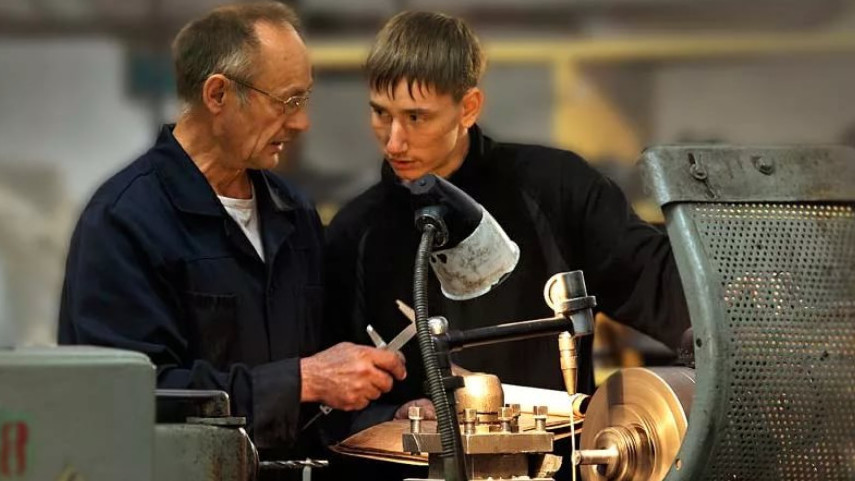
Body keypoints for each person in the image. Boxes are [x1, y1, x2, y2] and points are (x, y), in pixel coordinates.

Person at [58, 2, 406, 462]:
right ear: (218, 94)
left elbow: (321, 398)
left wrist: (389, 415)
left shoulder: (292, 212)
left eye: (304, 100)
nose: (301, 122)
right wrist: (301, 381)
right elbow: (124, 395)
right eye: (287, 102)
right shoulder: (124, 221)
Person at [325, 11, 690, 424]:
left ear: (468, 108)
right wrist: (392, 414)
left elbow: (661, 291)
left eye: (415, 117)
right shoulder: (355, 234)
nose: (394, 142)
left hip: (559, 450)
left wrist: (733, 312)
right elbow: (331, 407)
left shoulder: (557, 189)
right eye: (380, 114)